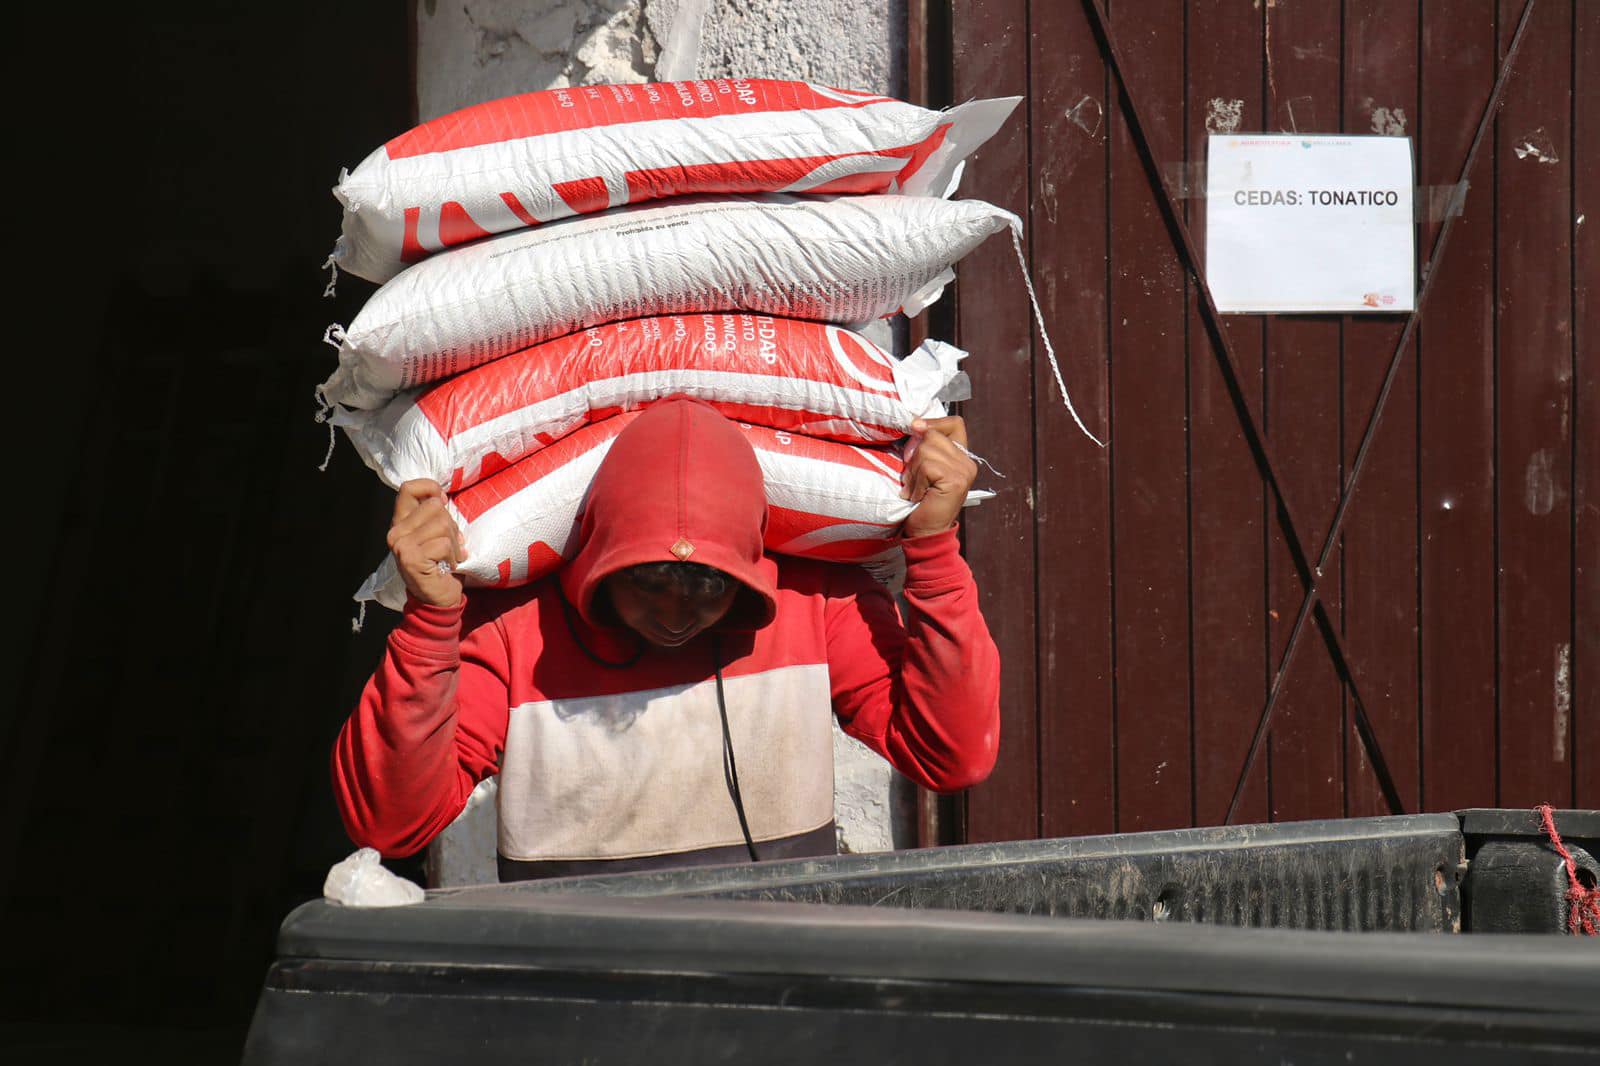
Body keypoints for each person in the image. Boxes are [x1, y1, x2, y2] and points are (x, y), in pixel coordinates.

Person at [332, 396, 1000, 881]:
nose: (678, 613)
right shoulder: (514, 631)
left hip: (780, 999)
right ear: (599, 552)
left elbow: (951, 755)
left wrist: (934, 551)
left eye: (709, 586)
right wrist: (430, 619)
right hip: (573, 1010)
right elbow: (391, 823)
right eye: (647, 581)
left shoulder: (815, 603)